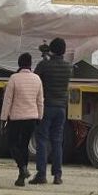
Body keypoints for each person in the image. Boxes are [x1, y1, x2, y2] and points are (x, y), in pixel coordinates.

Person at [31, 37, 71, 185]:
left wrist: (46, 58)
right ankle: (58, 175)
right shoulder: (68, 67)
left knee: (42, 140)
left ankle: (41, 174)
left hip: (46, 106)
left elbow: (36, 79)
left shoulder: (44, 65)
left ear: (52, 49)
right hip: (61, 107)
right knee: (57, 141)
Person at [1, 52, 43, 187]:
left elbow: (7, 101)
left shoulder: (14, 78)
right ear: (30, 64)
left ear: (19, 64)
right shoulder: (37, 79)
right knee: (24, 145)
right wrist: (40, 116)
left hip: (16, 118)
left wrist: (3, 118)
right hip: (31, 118)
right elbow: (40, 101)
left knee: (12, 143)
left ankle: (23, 168)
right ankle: (21, 178)